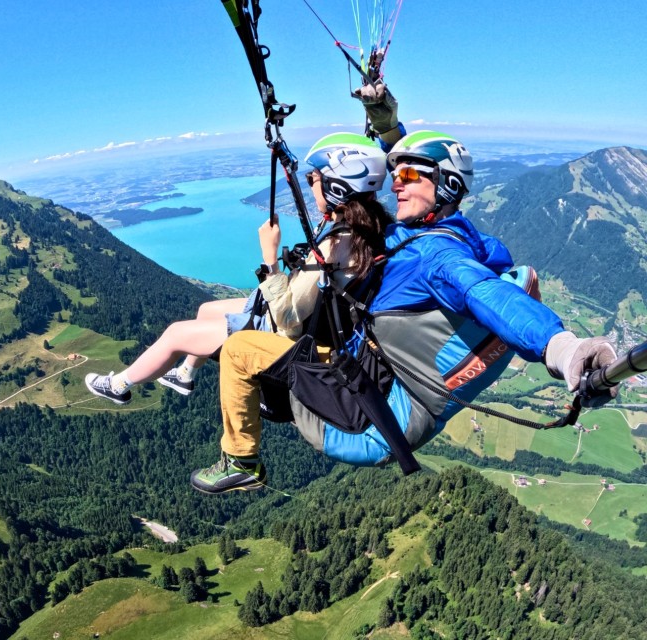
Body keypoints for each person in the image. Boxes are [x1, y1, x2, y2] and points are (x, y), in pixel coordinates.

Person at [190, 128, 619, 495]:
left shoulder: (437, 257)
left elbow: (487, 294)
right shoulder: (441, 231)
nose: (396, 184)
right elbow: (399, 184)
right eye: (394, 174)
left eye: (409, 175)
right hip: (371, 387)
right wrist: (386, 121)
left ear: (446, 183)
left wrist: (562, 348)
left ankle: (241, 462)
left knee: (240, 349)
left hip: (361, 420)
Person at [83, 133, 392, 405]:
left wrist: (270, 258)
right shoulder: (371, 229)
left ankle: (118, 386)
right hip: (309, 317)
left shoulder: (336, 246)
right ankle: (184, 375)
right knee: (205, 309)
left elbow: (286, 320)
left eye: (313, 179)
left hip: (288, 335)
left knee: (176, 334)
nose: (310, 185)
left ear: (337, 187)